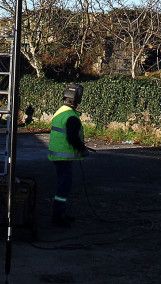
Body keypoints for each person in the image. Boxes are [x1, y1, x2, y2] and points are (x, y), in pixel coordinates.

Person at [47, 83, 87, 227]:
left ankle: (60, 213)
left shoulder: (60, 111)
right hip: (64, 156)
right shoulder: (71, 117)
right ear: (77, 99)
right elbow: (72, 138)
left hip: (57, 155)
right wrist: (82, 149)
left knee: (62, 185)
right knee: (63, 187)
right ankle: (57, 217)